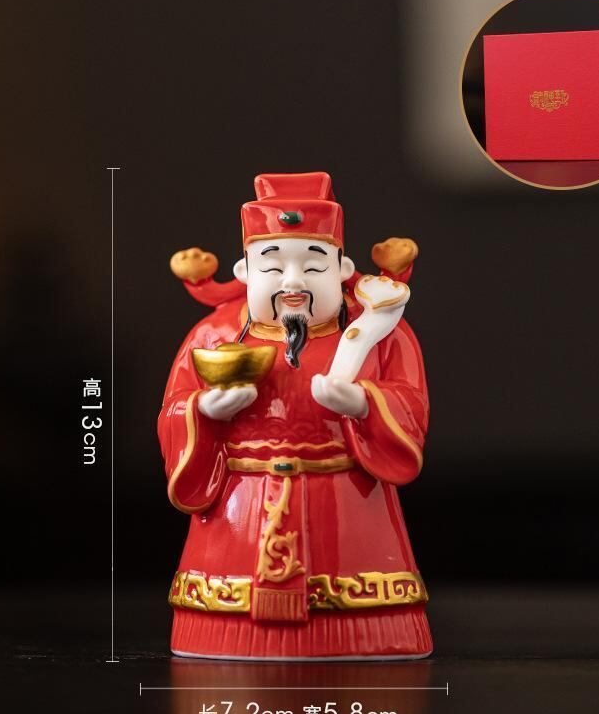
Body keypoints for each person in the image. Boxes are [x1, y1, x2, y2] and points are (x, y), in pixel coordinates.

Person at [158, 172, 431, 659]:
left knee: (361, 621)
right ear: (244, 272)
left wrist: (365, 404)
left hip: (347, 500)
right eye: (272, 265)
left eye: (312, 265)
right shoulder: (214, 336)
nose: (292, 282)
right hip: (241, 506)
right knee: (226, 628)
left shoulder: (382, 333)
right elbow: (173, 408)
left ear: (342, 269)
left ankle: (365, 637)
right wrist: (203, 411)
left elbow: (412, 402)